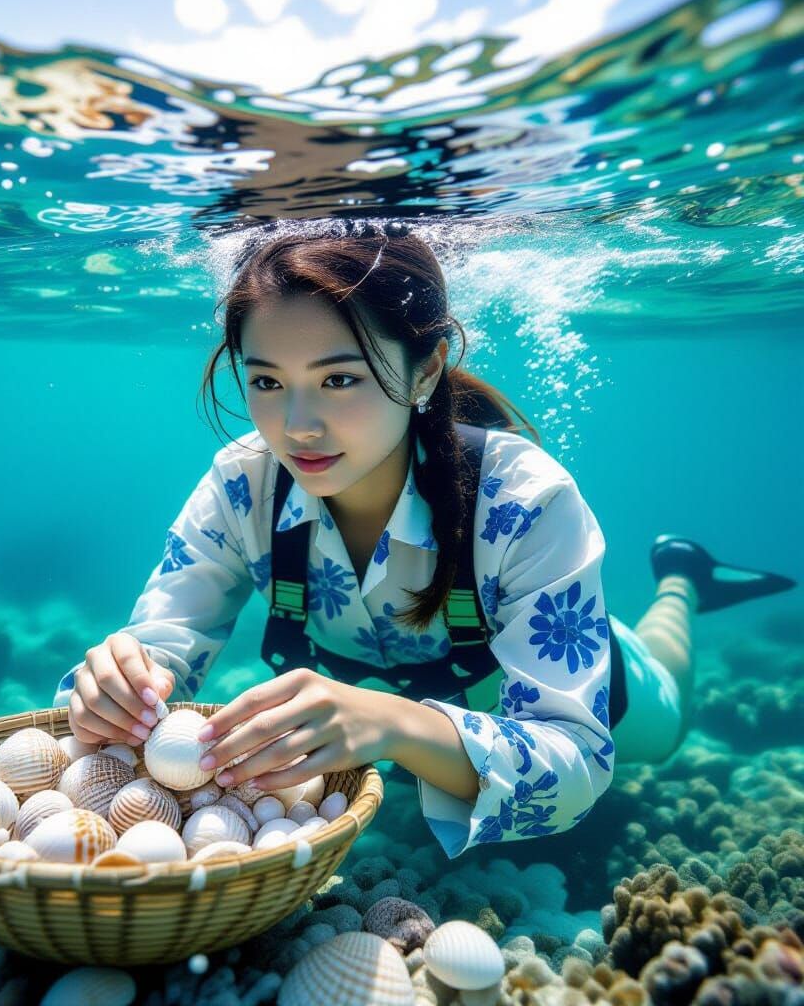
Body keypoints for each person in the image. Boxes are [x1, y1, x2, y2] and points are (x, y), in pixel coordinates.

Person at [53, 220, 795, 859]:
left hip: (580, 670)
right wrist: (123, 684)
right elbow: (163, 640)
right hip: (446, 716)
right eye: (268, 382)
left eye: (339, 380)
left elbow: (574, 766)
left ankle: (682, 579)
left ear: (426, 370)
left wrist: (390, 722)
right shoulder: (241, 484)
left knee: (667, 721)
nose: (297, 426)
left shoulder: (528, 500)